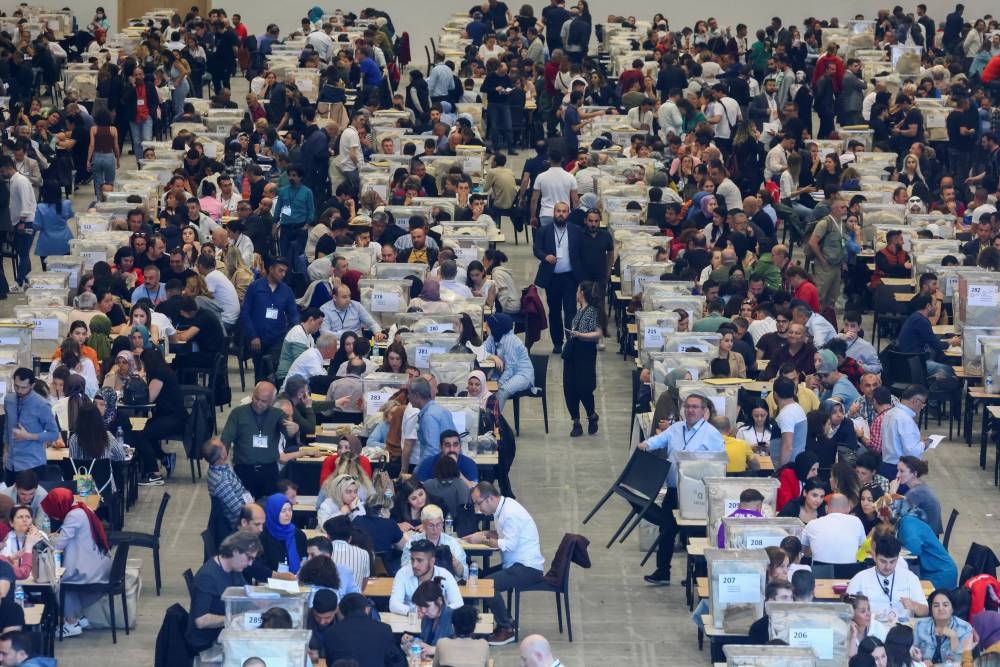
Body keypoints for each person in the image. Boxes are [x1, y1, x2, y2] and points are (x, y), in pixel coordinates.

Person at [637, 392, 724, 585]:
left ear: (704, 411)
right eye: (688, 407)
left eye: (695, 407)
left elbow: (719, 464)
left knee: (695, 534)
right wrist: (645, 445)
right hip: (675, 490)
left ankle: (697, 576)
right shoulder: (676, 428)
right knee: (666, 530)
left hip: (696, 493)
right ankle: (662, 571)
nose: (691, 410)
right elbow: (659, 440)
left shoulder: (712, 435)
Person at [466, 481, 544, 646]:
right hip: (516, 564)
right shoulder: (501, 509)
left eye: (478, 504)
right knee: (484, 580)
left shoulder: (510, 513)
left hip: (527, 567)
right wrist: (484, 533)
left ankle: (506, 628)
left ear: (490, 499)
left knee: (488, 585)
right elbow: (503, 533)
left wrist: (484, 540)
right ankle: (508, 622)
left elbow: (509, 544)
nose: (478, 509)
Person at [41, 487, 111, 638]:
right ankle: (79, 618)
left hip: (88, 569)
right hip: (97, 564)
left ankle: (71, 623)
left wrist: (47, 538)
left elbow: (58, 544)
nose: (53, 515)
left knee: (57, 583)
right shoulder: (81, 508)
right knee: (65, 582)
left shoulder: (73, 515)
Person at [186, 530, 263, 653]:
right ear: (236, 552)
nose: (250, 563)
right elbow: (201, 620)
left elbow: (247, 594)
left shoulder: (234, 569)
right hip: (207, 644)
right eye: (249, 558)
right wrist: (236, 618)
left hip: (224, 634)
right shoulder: (208, 576)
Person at [221, 381, 299, 499]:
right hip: (244, 470)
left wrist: (294, 428)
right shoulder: (238, 413)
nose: (258, 403)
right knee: (246, 508)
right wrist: (221, 461)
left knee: (268, 507)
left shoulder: (277, 414)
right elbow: (226, 439)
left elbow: (288, 431)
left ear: (272, 401)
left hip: (269, 471)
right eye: (256, 398)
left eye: (263, 401)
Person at [533, 200, 582, 354]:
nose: (561, 214)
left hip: (570, 277)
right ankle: (557, 343)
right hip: (552, 278)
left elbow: (581, 252)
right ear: (553, 213)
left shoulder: (575, 230)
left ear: (568, 213)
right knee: (554, 311)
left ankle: (571, 341)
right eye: (558, 211)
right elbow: (536, 249)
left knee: (570, 310)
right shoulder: (544, 230)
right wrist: (545, 256)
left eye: (564, 211)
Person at [240, 256, 300, 383]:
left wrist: (290, 334)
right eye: (280, 270)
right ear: (271, 269)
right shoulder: (255, 287)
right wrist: (252, 336)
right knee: (259, 374)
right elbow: (245, 313)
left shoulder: (287, 291)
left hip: (277, 339)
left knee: (273, 373)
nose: (283, 274)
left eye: (285, 271)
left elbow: (293, 315)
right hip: (257, 339)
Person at [131, 349, 184, 485]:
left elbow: (149, 397)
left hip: (172, 419)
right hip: (173, 416)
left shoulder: (160, 373)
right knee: (145, 429)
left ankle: (155, 474)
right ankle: (164, 457)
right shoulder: (165, 369)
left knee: (141, 434)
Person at [846, 535, 929, 620]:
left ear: (898, 558)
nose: (887, 567)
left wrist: (914, 605)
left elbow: (925, 611)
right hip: (871, 629)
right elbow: (847, 611)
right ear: (874, 557)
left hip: (902, 630)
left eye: (892, 562)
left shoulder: (910, 578)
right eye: (883, 561)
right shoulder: (860, 578)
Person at [3, 369, 59, 486]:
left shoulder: (42, 405)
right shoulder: (9, 400)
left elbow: (54, 433)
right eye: (16, 386)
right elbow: (6, 427)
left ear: (32, 385)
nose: (19, 391)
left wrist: (28, 436)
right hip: (11, 463)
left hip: (32, 464)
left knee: (31, 502)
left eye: (24, 387)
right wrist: (5, 449)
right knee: (9, 502)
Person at [563, 280, 603, 436]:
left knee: (584, 387)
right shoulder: (579, 310)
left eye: (577, 290)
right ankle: (576, 422)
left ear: (582, 293)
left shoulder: (593, 311)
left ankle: (592, 415)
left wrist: (581, 335)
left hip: (585, 353)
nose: (576, 293)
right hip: (573, 352)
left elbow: (598, 333)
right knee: (569, 387)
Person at [321, 593, 405, 667]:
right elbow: (395, 661)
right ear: (367, 609)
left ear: (341, 611)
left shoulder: (330, 633)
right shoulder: (384, 629)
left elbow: (330, 663)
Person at [389, 539, 464, 615]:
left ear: (432, 561)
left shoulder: (445, 574)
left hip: (438, 622)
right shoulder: (403, 573)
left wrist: (437, 611)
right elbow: (394, 605)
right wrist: (418, 610)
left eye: (419, 560)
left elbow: (458, 603)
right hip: (412, 620)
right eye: (412, 560)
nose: (414, 565)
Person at [400, 504, 468, 581]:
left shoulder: (452, 543)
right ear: (423, 525)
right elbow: (405, 570)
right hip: (420, 586)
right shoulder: (413, 542)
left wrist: (456, 563)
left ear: (443, 523)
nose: (435, 529)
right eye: (431, 525)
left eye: (438, 524)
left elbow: (464, 574)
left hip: (446, 586)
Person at [483, 313, 534, 411]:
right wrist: (493, 356)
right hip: (505, 372)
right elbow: (481, 351)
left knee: (500, 392)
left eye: (488, 326)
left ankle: (495, 421)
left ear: (496, 327)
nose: (485, 328)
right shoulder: (493, 336)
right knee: (486, 387)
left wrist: (499, 384)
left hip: (521, 374)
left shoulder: (510, 340)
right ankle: (486, 417)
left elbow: (511, 369)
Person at [879, 385, 929, 480]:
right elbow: (912, 452)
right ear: (916, 401)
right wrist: (924, 444)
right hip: (899, 469)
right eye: (923, 403)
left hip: (886, 464)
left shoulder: (890, 413)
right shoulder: (905, 419)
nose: (922, 407)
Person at [912, 589, 974, 665]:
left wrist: (953, 637)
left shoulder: (965, 628)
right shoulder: (920, 625)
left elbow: (962, 662)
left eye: (945, 605)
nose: (941, 609)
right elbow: (913, 651)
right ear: (931, 609)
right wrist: (919, 660)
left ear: (952, 608)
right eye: (936, 605)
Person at [801, 493, 866, 564]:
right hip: (850, 573)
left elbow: (802, 551)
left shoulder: (812, 524)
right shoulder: (856, 521)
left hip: (820, 573)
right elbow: (863, 549)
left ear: (826, 509)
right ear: (848, 509)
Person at [203, 438, 252, 531]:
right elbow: (239, 512)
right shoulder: (221, 481)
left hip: (248, 504)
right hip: (241, 523)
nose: (225, 445)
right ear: (221, 455)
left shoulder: (220, 467)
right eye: (222, 445)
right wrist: (255, 510)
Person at [400, 578, 454, 660]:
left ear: (439, 601)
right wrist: (413, 640)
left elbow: (461, 649)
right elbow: (426, 642)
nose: (423, 611)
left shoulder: (453, 618)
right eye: (421, 606)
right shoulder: (426, 618)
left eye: (427, 606)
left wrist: (435, 650)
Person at [259, 493, 306, 575]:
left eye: (290, 510)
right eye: (283, 511)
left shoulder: (298, 534)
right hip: (271, 581)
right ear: (274, 512)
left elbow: (304, 559)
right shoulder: (263, 536)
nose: (288, 514)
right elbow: (262, 565)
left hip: (298, 580)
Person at [893, 456, 942, 535]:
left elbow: (895, 517)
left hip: (926, 538)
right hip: (929, 533)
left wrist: (892, 493)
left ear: (914, 474)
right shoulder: (921, 487)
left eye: (901, 471)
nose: (897, 475)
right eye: (897, 470)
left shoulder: (915, 493)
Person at [322, 515, 371, 590]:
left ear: (328, 537)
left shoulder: (321, 553)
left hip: (328, 600)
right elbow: (363, 585)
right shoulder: (364, 554)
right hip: (355, 600)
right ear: (350, 538)